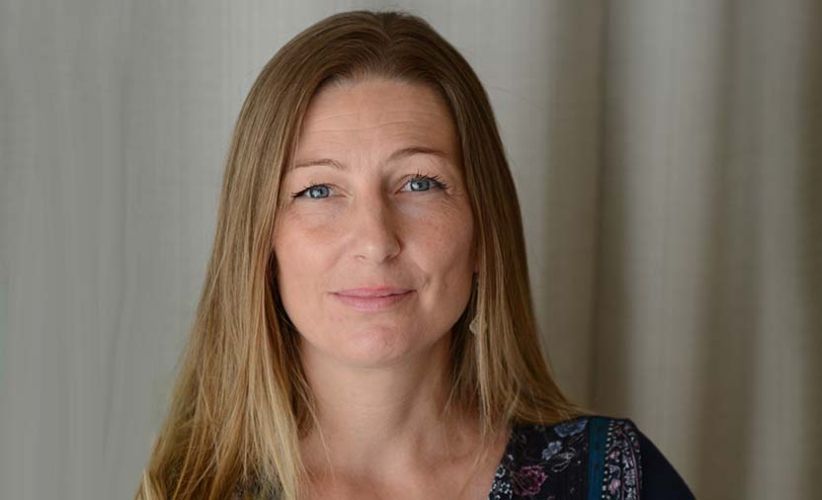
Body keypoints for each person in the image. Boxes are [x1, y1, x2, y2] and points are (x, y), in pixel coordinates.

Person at [135, 9, 694, 500]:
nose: (375, 240)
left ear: (484, 229)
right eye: (319, 190)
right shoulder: (186, 492)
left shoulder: (618, 480)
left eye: (419, 183)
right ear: (260, 244)